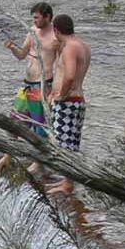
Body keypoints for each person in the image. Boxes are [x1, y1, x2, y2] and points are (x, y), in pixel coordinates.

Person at [0, 2, 59, 172]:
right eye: (33, 18)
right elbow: (22, 55)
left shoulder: (56, 36)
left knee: (39, 126)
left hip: (43, 86)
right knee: (14, 122)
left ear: (47, 17)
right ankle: (7, 156)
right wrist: (12, 47)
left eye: (37, 17)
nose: (34, 20)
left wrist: (54, 90)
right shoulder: (32, 31)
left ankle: (38, 161)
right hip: (27, 85)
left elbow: (61, 65)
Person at [45, 14, 91, 195]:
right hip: (77, 101)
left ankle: (68, 184)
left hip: (68, 102)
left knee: (63, 144)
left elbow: (70, 76)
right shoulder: (83, 45)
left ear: (56, 30)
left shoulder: (70, 48)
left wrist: (60, 96)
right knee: (70, 143)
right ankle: (67, 180)